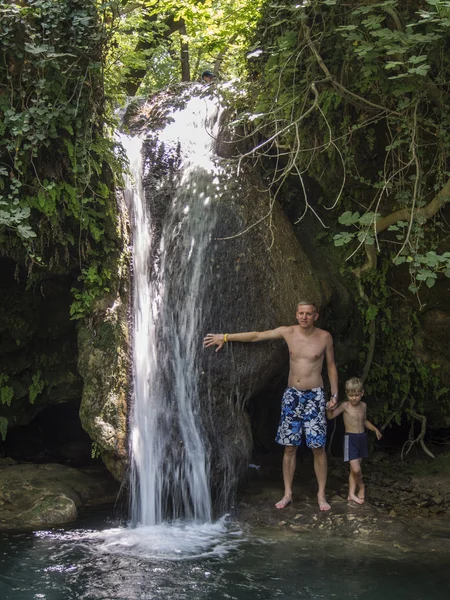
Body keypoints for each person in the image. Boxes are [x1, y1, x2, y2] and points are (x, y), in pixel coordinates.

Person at [203, 301, 339, 512]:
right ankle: (287, 493)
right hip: (292, 395)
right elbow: (258, 336)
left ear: (315, 316)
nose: (304, 317)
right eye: (301, 313)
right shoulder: (288, 332)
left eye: (308, 314)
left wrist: (335, 395)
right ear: (296, 315)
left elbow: (331, 366)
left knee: (318, 447)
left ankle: (321, 494)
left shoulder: (324, 337)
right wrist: (226, 337)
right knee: (289, 447)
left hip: (315, 396)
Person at [326, 377, 382, 505]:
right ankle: (362, 487)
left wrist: (375, 429)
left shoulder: (363, 406)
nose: (354, 398)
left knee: (353, 469)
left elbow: (364, 421)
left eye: (357, 395)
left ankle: (351, 494)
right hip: (350, 439)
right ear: (347, 394)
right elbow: (331, 417)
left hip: (361, 438)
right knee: (356, 469)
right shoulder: (345, 406)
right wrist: (328, 408)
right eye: (351, 395)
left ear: (362, 393)